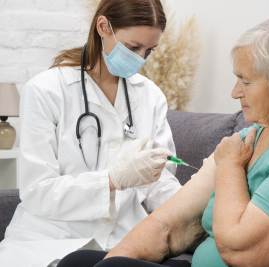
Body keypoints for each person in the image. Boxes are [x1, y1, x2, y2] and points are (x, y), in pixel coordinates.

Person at [58, 19, 269, 267]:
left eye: (245, 81)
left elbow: (242, 251)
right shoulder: (248, 139)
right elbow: (168, 224)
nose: (234, 92)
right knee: (78, 261)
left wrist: (230, 166)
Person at [0, 0, 183, 266]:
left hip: (125, 241)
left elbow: (159, 179)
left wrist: (197, 202)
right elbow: (37, 191)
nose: (141, 59)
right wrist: (111, 180)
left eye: (149, 50)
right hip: (49, 240)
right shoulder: (46, 90)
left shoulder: (150, 95)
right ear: (103, 27)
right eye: (133, 47)